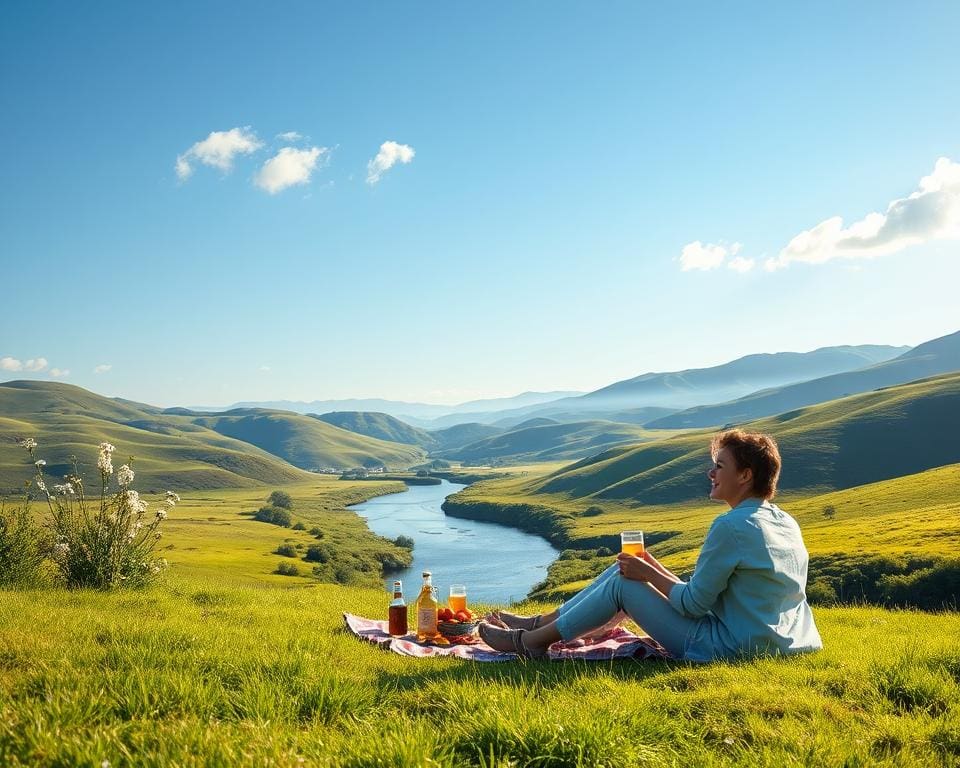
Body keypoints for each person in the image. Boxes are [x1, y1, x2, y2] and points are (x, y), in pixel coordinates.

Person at [479, 429, 823, 661]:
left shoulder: (732, 525)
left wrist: (648, 574)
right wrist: (652, 569)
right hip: (784, 643)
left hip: (732, 648)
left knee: (623, 581)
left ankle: (531, 643)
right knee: (624, 569)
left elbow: (692, 605)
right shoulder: (784, 521)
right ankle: (538, 623)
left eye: (719, 466)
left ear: (745, 476)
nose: (711, 473)